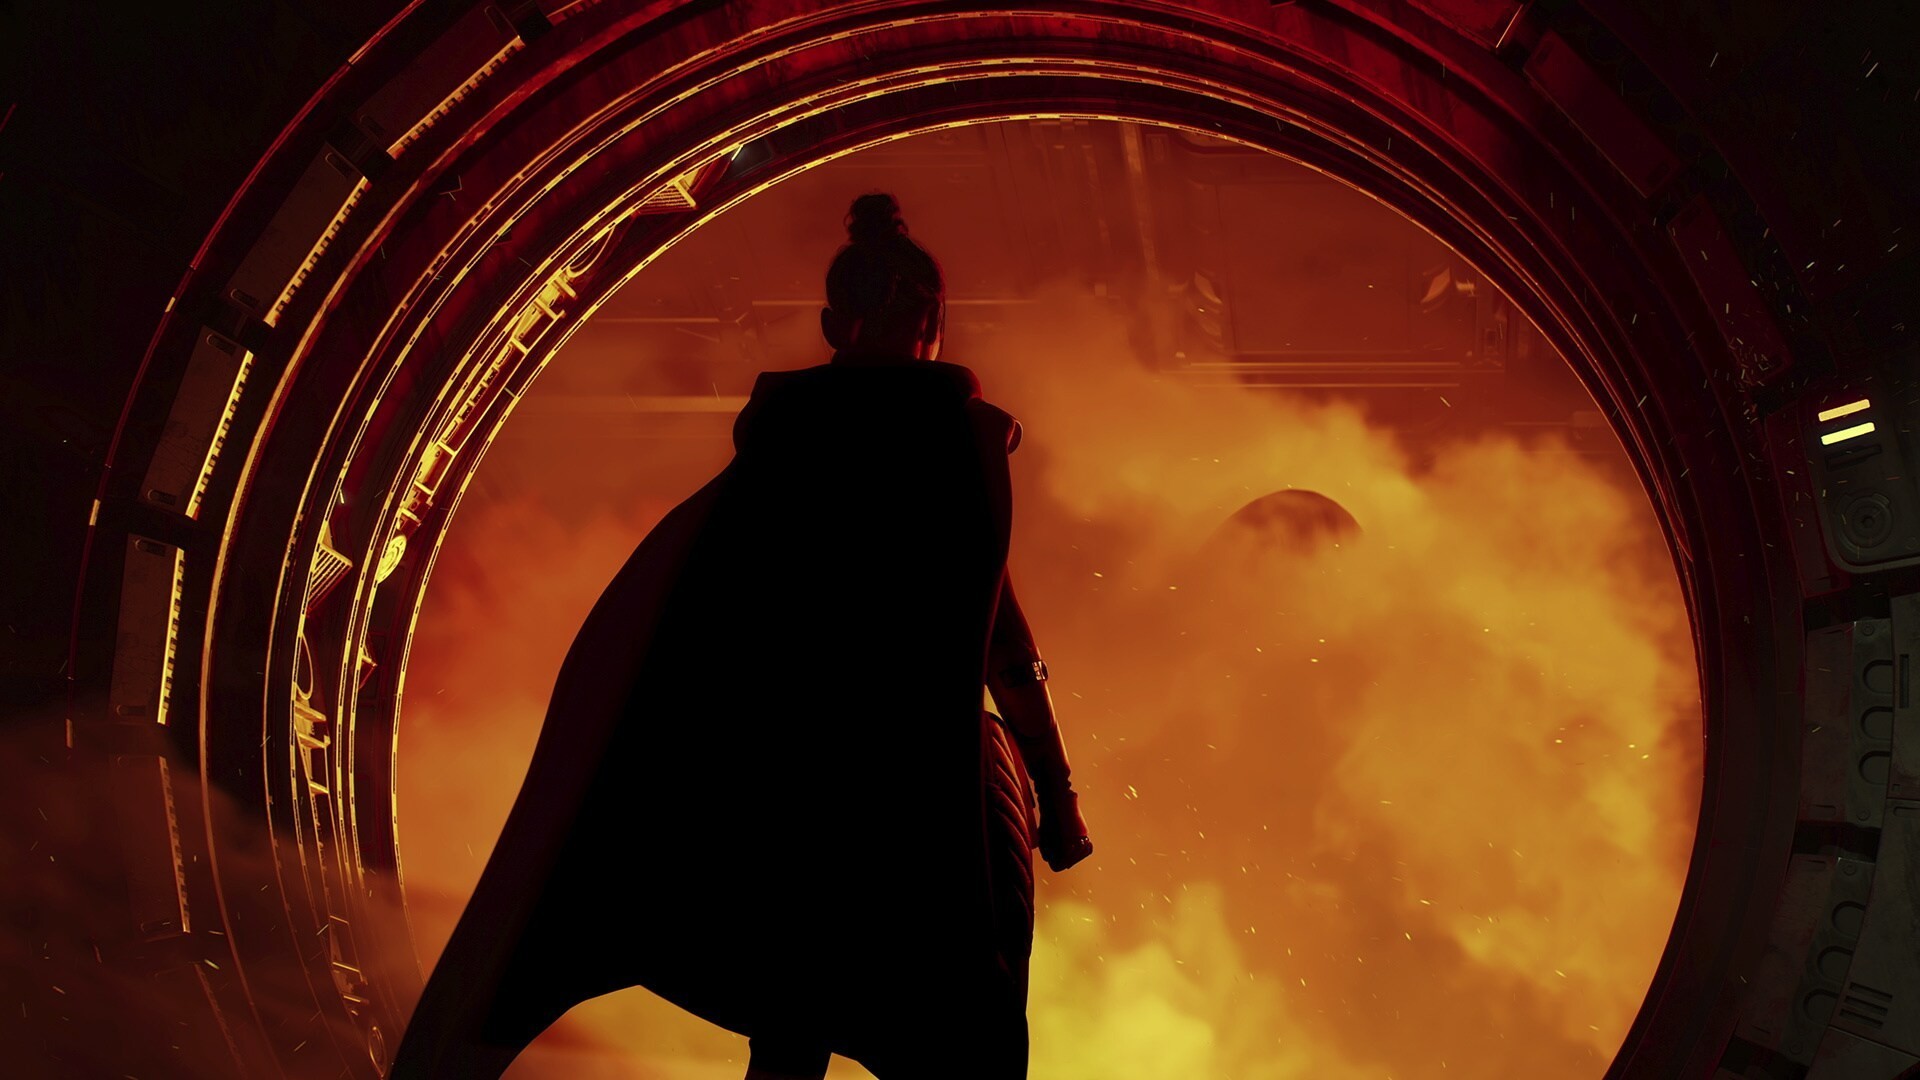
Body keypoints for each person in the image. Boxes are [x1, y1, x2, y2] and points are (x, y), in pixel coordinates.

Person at [389, 192, 1093, 1080]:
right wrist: (1057, 793)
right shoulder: (953, 444)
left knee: (788, 1019)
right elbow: (1003, 648)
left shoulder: (779, 453)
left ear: (836, 325)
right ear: (934, 325)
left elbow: (687, 639)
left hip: (766, 808)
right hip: (907, 818)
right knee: (958, 1032)